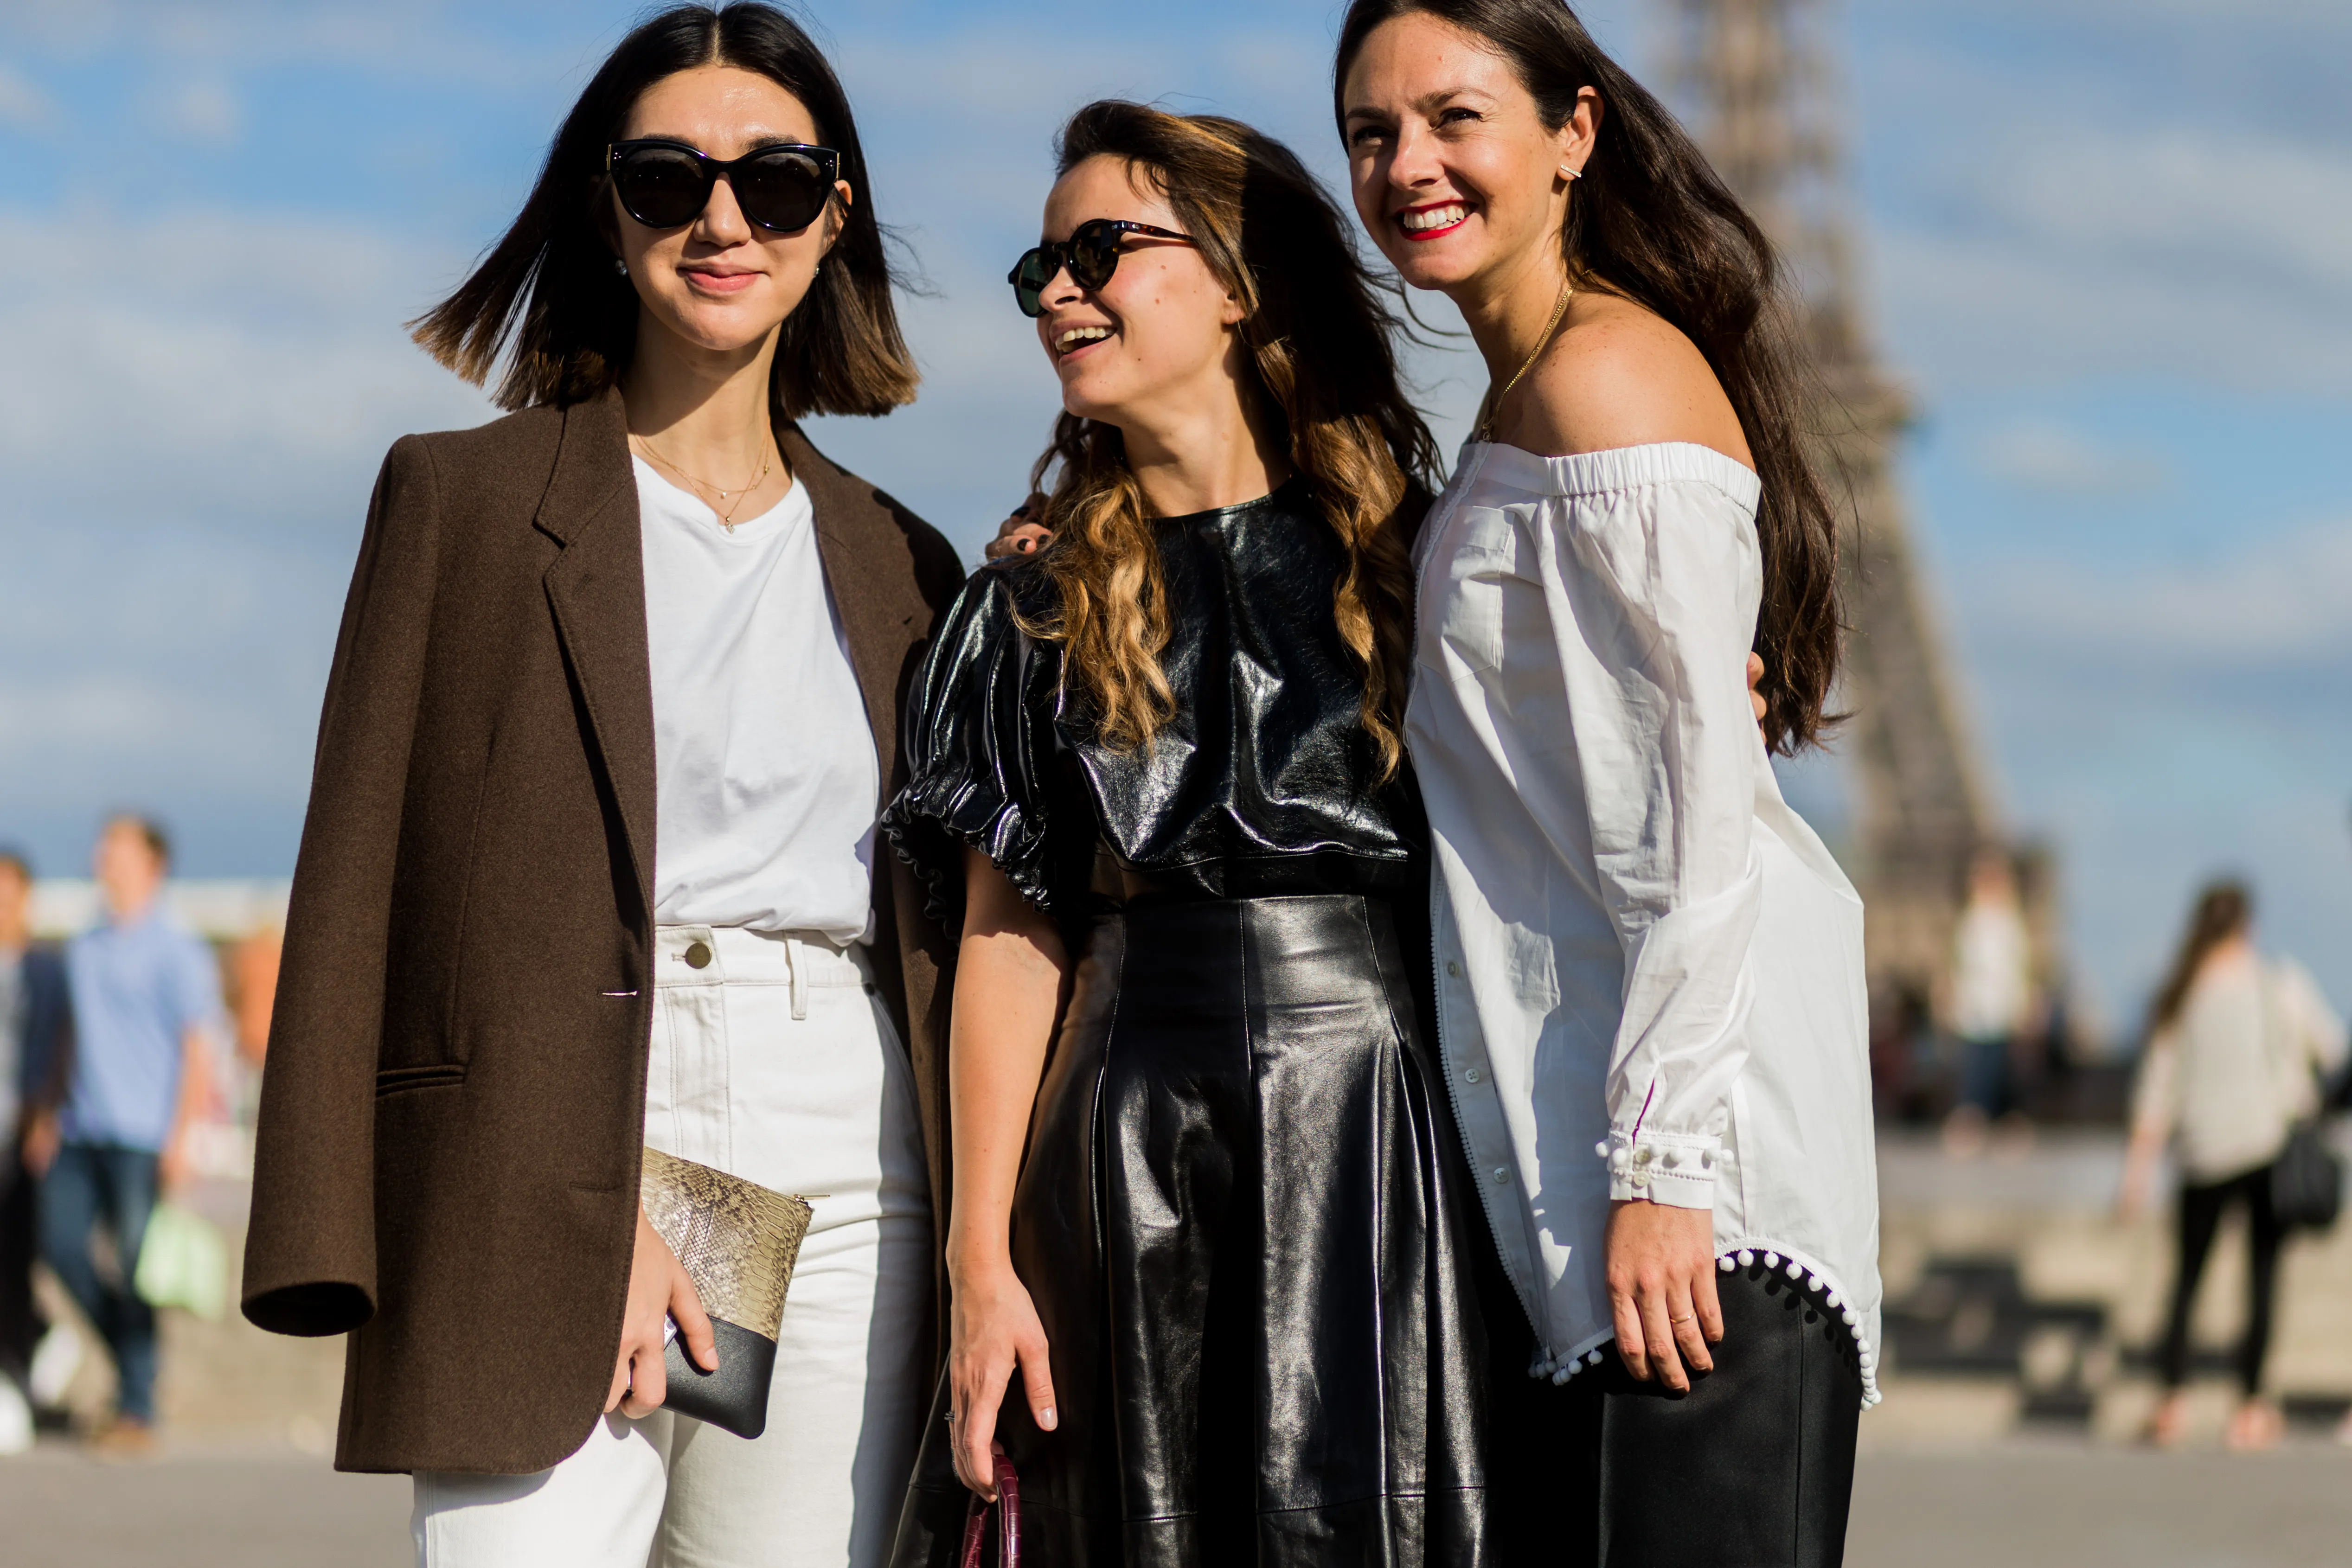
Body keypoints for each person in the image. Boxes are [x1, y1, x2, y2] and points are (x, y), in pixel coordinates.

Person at [238, 7, 964, 1564]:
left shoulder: (908, 562)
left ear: (835, 217)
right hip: (541, 1136)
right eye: (667, 179)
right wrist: (345, 1224)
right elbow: (359, 870)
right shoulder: (463, 502)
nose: (723, 219)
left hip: (843, 1145)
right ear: (605, 205)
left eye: (775, 183)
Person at [885, 101, 1491, 1565]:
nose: (1060, 294)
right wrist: (980, 1264)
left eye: (1102, 249)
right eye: (1038, 270)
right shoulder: (1018, 608)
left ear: (1237, 276)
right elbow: (1007, 941)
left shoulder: (1423, 562)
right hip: (1115, 1126)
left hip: (1379, 1117)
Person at [1334, 2, 1881, 1562]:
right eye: (1372, 131)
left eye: (1454, 118)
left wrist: (1662, 1171)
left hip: (1687, 1196)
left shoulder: (1607, 382)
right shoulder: (1528, 399)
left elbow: (1700, 832)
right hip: (1614, 1175)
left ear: (1573, 133)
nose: (1407, 164)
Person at [2120, 881, 2347, 1452]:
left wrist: (2137, 1175)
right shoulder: (2280, 983)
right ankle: (2250, 1406)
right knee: (2262, 1280)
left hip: (2200, 1153)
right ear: (2248, 925)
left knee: (2187, 1281)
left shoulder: (2182, 994)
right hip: (2266, 1147)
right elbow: (2331, 1049)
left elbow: (2155, 1091)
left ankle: (2172, 1399)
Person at [31, 817, 222, 1455]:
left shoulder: (177, 948)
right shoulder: (83, 945)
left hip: (144, 1133)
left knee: (140, 1269)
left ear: (151, 861)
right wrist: (47, 1113)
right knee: (60, 1248)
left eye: (115, 844)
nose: (101, 853)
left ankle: (137, 1407)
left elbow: (198, 1049)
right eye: (101, 842)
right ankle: (137, 1368)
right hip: (80, 1129)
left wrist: (182, 1138)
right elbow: (67, 1039)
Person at [0, 848, 72, 1441]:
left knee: (17, 1257)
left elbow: (59, 1046)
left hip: (20, 1133)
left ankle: (23, 1377)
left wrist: (46, 1116)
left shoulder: (46, 968)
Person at [1941, 847, 2038, 1154]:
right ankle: (1972, 1119)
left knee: (2001, 1070)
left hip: (2002, 1008)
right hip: (1975, 1009)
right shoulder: (1969, 923)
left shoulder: (2009, 923)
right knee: (1975, 1067)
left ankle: (2003, 1122)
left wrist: (2024, 1003)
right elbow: (1957, 966)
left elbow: (2020, 968)